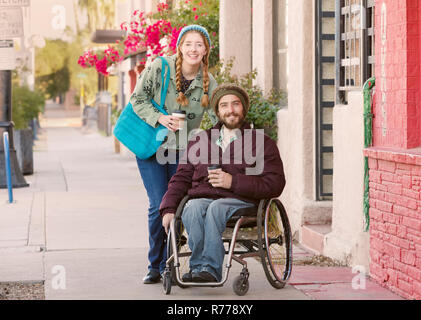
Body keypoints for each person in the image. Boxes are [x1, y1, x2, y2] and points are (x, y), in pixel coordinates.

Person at [159, 84, 286, 283]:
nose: (230, 110)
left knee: (216, 208)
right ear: (218, 111)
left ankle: (209, 268)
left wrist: (232, 182)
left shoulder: (261, 142)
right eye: (224, 105)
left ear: (243, 108)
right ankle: (198, 267)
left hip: (242, 201)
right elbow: (181, 178)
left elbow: (275, 183)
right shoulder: (200, 140)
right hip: (203, 197)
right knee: (192, 207)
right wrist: (168, 208)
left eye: (235, 104)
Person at [130, 25, 219, 284]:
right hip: (151, 146)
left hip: (182, 149)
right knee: (159, 202)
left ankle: (170, 261)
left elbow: (215, 118)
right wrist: (160, 117)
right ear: (180, 46)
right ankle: (156, 265)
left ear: (205, 50)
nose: (193, 49)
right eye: (189, 43)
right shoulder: (160, 67)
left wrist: (226, 137)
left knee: (178, 203)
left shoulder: (208, 83)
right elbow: (138, 99)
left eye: (199, 45)